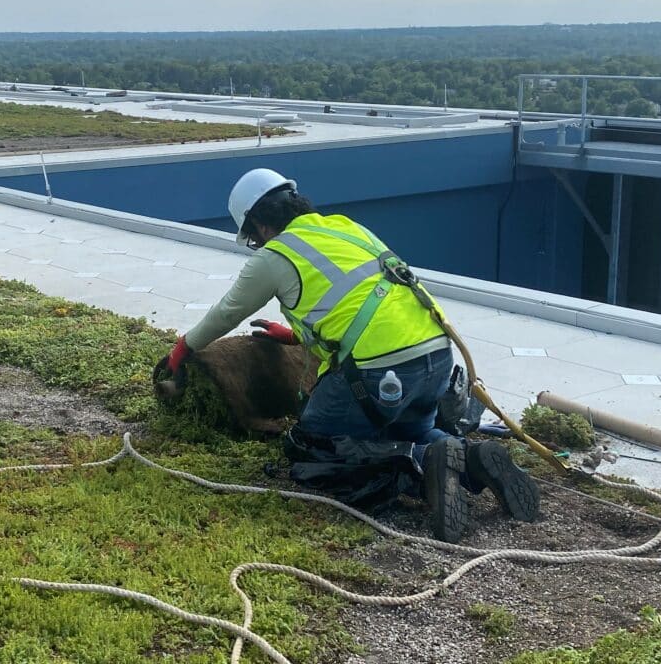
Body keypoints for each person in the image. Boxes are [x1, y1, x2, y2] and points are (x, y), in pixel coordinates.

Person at [161, 168, 539, 542]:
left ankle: (422, 465)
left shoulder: (275, 255)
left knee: (311, 445)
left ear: (259, 224)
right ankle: (470, 459)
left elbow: (227, 312)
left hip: (379, 374)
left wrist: (182, 349)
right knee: (413, 427)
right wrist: (295, 337)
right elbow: (362, 300)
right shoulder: (345, 227)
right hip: (437, 357)